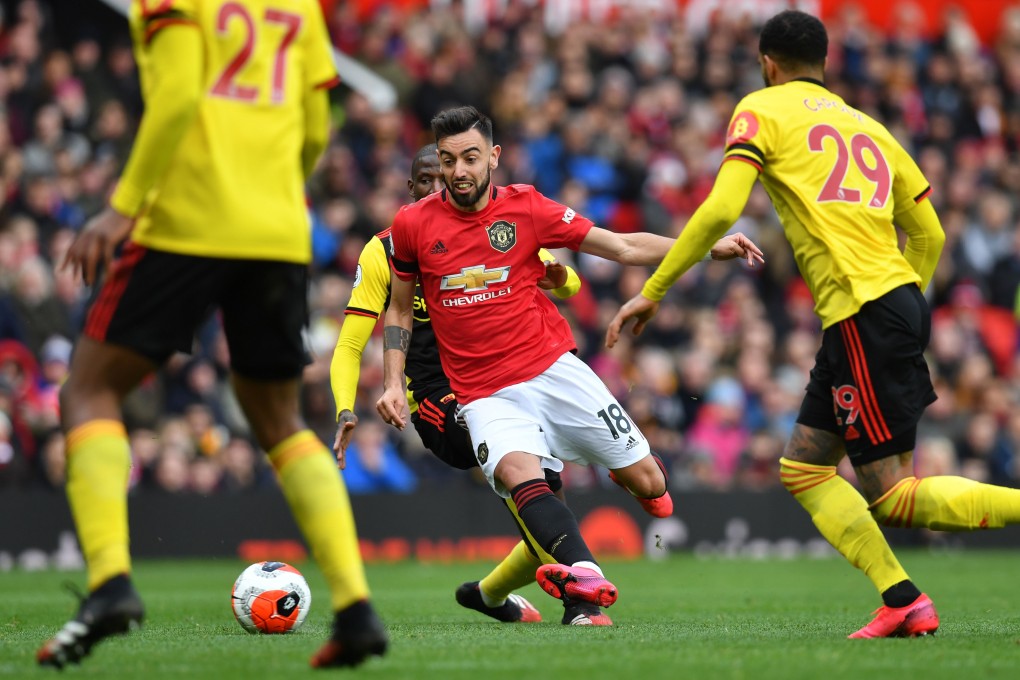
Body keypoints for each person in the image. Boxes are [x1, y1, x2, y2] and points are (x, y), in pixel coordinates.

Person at [608, 9, 1020, 639]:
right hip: (885, 305)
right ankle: (902, 598)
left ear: (767, 63)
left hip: (863, 312)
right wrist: (902, 302)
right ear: (823, 62)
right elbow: (930, 234)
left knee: (892, 496)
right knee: (803, 469)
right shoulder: (870, 127)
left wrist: (654, 290)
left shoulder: (761, 109)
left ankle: (912, 594)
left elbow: (721, 208)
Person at [36, 0, 385, 669]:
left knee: (88, 390)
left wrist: (121, 207)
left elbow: (177, 95)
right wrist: (273, 190)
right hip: (278, 230)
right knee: (281, 422)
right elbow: (316, 126)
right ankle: (355, 607)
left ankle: (110, 583)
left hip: (187, 220)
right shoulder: (299, 6)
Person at [377, 105, 763, 613]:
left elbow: (622, 247)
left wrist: (707, 247)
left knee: (653, 486)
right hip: (482, 393)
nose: (458, 172)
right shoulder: (412, 224)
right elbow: (399, 310)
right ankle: (586, 582)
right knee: (518, 474)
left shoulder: (527, 207)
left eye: (470, 158)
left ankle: (625, 471)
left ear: (493, 156)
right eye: (448, 161)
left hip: (551, 370)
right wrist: (391, 381)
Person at [330, 143, 610, 626]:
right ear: (411, 188)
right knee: (526, 481)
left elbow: (569, 284)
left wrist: (559, 277)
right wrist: (344, 407)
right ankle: (581, 602)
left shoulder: (492, 228)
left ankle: (488, 594)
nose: (438, 188)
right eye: (427, 180)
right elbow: (351, 343)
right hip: (439, 399)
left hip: (504, 378)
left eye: (446, 178)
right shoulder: (385, 250)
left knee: (544, 507)